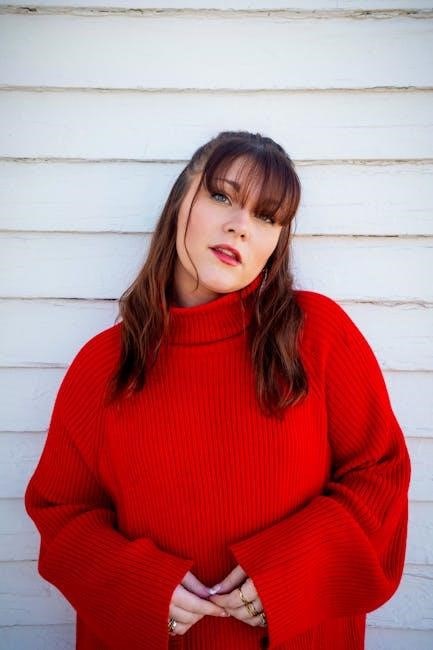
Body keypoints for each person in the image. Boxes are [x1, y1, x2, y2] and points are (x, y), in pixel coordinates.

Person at [24, 130, 411, 650]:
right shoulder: (103, 365)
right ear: (180, 200)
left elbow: (380, 476)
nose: (240, 226)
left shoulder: (319, 336)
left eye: (267, 217)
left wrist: (292, 573)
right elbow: (61, 512)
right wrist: (138, 587)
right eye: (222, 196)